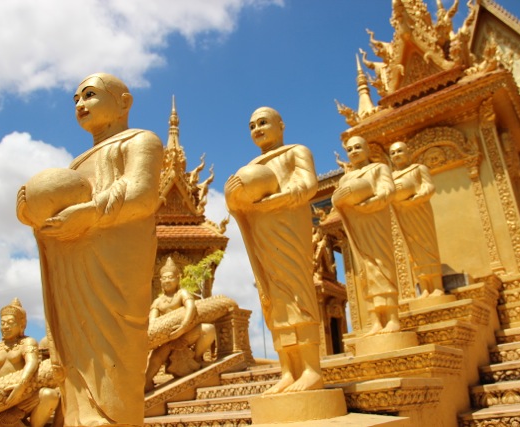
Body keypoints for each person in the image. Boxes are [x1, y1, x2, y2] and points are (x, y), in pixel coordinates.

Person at [16, 73, 163, 426]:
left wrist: (90, 212)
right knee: (75, 353)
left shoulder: (141, 141)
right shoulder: (76, 164)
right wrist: (29, 210)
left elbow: (142, 193)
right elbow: (55, 211)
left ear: (124, 103)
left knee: (113, 351)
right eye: (76, 99)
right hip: (72, 264)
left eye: (90, 95)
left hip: (114, 267)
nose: (80, 104)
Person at [225, 107, 323, 394]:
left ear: (281, 125)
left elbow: (308, 185)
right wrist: (233, 197)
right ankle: (288, 371)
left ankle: (311, 369)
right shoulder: (252, 166)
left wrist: (276, 199)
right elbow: (241, 206)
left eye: (263, 122)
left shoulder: (295, 152)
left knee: (298, 294)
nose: (257, 128)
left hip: (289, 228)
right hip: (263, 232)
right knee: (273, 298)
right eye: (252, 125)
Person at [332, 135, 400, 336]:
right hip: (357, 225)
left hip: (376, 221)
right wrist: (340, 199)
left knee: (382, 266)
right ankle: (376, 320)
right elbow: (338, 202)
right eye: (350, 149)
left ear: (367, 150)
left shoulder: (379, 169)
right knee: (365, 271)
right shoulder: (346, 179)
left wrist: (373, 201)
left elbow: (388, 190)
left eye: (357, 147)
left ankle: (392, 318)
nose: (353, 152)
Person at [0, 298, 60, 427]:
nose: (5, 326)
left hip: (23, 394)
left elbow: (32, 363)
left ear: (21, 325)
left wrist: (21, 385)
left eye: (10, 323)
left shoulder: (27, 342)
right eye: (2, 323)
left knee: (50, 395)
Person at [144, 257, 216, 391]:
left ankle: (197, 357)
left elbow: (191, 308)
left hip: (185, 333)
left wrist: (183, 327)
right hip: (168, 338)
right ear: (160, 281)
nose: (167, 280)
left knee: (208, 329)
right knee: (156, 357)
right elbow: (153, 322)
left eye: (170, 277)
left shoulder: (181, 294)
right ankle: (147, 381)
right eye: (164, 278)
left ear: (178, 278)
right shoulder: (158, 302)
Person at [389, 141, 445, 297]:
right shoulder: (391, 177)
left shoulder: (419, 169)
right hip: (403, 212)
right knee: (413, 251)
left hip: (420, 210)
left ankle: (437, 286)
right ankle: (424, 287)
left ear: (408, 152)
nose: (396, 155)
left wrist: (419, 196)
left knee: (428, 246)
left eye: (400, 151)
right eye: (392, 153)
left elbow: (429, 186)